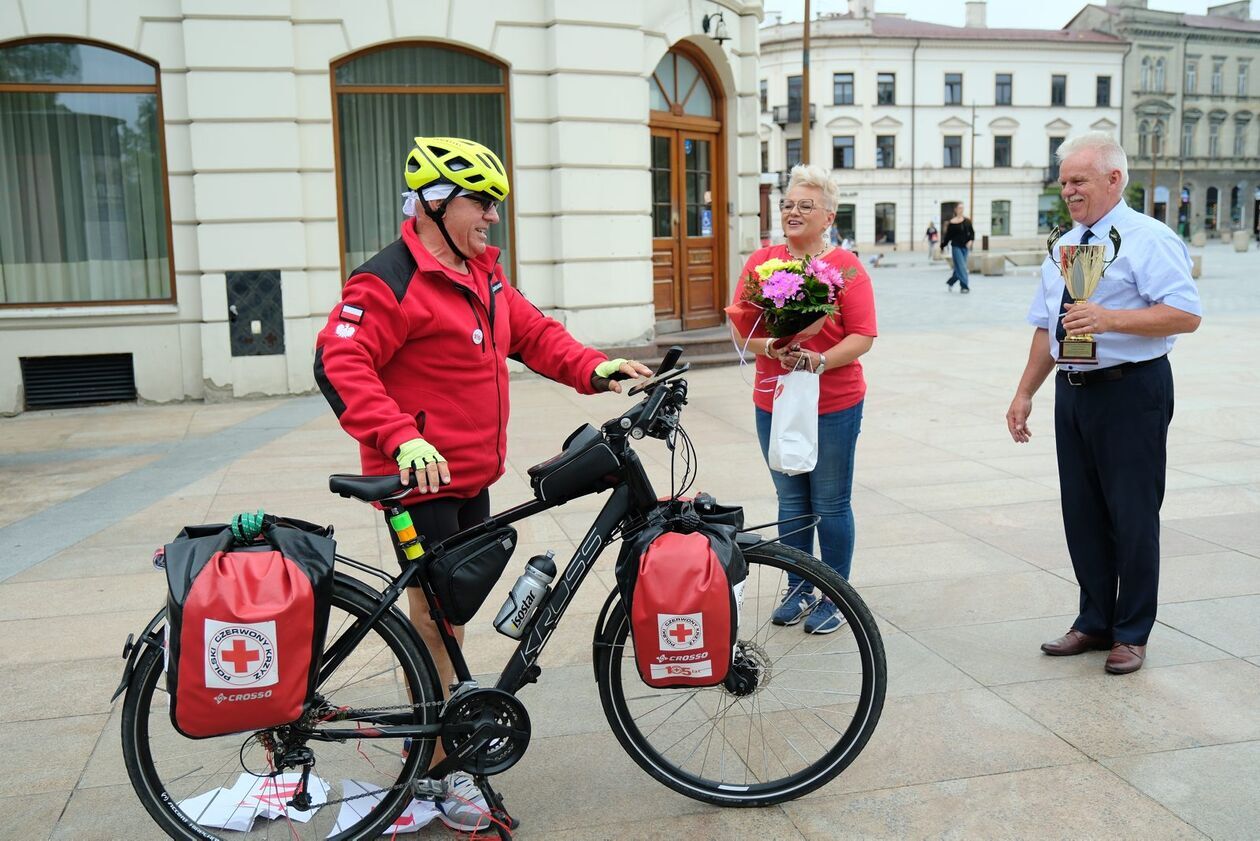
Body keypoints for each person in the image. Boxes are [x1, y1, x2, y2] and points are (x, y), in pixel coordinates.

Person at [314, 136, 650, 828]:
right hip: (421, 482)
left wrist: (598, 368)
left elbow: (535, 335)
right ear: (435, 204)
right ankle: (437, 766)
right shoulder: (387, 280)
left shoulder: (483, 275)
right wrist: (400, 435)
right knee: (436, 621)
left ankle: (442, 732)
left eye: (495, 204)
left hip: (470, 477)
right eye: (481, 203)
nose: (493, 217)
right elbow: (340, 363)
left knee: (449, 619)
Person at [1005, 131, 1201, 675]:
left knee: (1132, 514)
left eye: (1078, 180)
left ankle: (1132, 631)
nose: (1067, 189)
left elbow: (1185, 313)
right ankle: (1094, 621)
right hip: (1075, 392)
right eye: (1064, 180)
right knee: (1083, 514)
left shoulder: (1148, 238)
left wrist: (1111, 318)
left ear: (1114, 179)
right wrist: (1025, 393)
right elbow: (1048, 326)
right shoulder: (1064, 245)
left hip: (1131, 389)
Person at [733, 164, 878, 634]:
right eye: (787, 205)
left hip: (833, 401)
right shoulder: (761, 264)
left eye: (804, 206)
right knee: (791, 501)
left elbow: (863, 336)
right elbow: (743, 331)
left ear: (828, 217)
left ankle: (835, 598)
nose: (792, 212)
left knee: (831, 502)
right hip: (774, 399)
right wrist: (771, 347)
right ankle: (798, 589)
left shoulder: (847, 269)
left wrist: (819, 360)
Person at [941, 203, 974, 293]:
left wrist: (970, 241)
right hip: (956, 247)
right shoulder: (952, 223)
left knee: (959, 267)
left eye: (962, 208)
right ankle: (964, 286)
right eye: (959, 208)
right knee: (962, 267)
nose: (961, 210)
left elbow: (972, 233)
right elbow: (948, 236)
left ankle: (951, 282)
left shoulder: (967, 221)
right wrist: (943, 246)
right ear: (955, 209)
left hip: (965, 247)